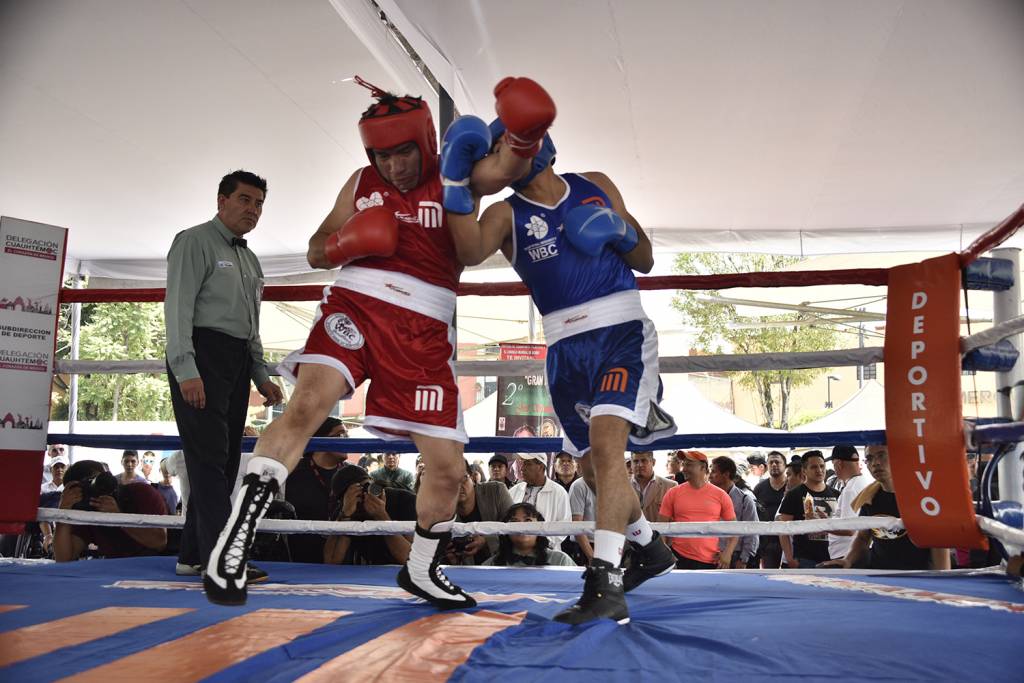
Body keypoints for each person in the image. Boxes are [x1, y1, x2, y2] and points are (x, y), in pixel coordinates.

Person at [202, 77, 552, 608]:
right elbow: (318, 249)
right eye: (383, 156)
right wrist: (348, 239)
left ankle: (421, 569)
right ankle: (236, 539)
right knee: (306, 408)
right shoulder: (361, 180)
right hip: (356, 304)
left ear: (425, 143)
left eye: (403, 152)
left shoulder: (453, 171)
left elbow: (504, 169)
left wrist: (525, 132)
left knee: (448, 466)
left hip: (424, 328)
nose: (394, 166)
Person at [444, 110, 677, 625]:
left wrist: (616, 228)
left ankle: (606, 580)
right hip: (565, 348)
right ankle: (649, 548)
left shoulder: (594, 185)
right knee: (594, 468)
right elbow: (464, 252)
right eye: (504, 146)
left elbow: (645, 258)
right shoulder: (504, 215)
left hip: (620, 329)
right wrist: (456, 180)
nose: (518, 150)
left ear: (541, 141)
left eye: (520, 139)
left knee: (610, 449)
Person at [165, 169, 284, 581]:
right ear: (222, 200)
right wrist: (186, 368)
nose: (253, 209)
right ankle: (221, 559)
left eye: (259, 203)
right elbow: (177, 310)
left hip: (235, 359)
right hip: (201, 354)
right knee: (209, 458)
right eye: (245, 200)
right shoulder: (193, 241)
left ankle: (193, 553)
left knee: (223, 458)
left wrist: (260, 372)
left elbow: (251, 324)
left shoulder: (250, 259)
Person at [823, 445, 950, 571]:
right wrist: (848, 560)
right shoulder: (869, 497)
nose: (875, 463)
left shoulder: (922, 497)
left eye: (881, 455)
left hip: (916, 577)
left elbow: (938, 544)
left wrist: (942, 580)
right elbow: (862, 537)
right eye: (870, 458)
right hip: (880, 576)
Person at [53, 460, 168, 561]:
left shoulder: (142, 493)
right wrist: (63, 513)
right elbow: (64, 558)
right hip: (118, 572)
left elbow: (159, 542)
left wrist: (118, 517)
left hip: (160, 565)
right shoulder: (88, 510)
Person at [284, 417, 349, 563]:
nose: (346, 441)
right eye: (340, 435)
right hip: (295, 562)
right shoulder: (291, 471)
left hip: (342, 564)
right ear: (320, 439)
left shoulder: (353, 474)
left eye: (347, 436)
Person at [323, 465, 417, 565]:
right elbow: (331, 561)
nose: (365, 497)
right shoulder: (345, 510)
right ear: (344, 499)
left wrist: (382, 517)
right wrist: (346, 516)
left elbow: (410, 559)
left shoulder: (404, 501)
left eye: (367, 487)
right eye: (356, 495)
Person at [658, 451, 738, 569]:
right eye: (683, 464)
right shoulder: (673, 493)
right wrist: (666, 556)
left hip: (710, 561)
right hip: (678, 558)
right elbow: (661, 527)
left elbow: (734, 529)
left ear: (703, 468)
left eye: (689, 464)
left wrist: (728, 553)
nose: (684, 468)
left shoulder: (721, 495)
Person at [776, 451, 839, 568]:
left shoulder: (837, 494)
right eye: (814, 467)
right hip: (805, 558)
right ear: (804, 471)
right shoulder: (793, 495)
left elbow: (846, 527)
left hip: (833, 557)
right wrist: (790, 558)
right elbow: (782, 530)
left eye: (822, 466)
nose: (819, 470)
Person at [446, 461, 513, 565]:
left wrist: (486, 540)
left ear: (472, 478)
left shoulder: (496, 491)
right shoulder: (441, 510)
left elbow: (514, 529)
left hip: (504, 566)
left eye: (462, 478)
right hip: (466, 574)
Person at [508, 453, 572, 548]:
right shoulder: (514, 490)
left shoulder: (558, 492)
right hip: (516, 550)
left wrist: (544, 543)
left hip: (547, 553)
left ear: (541, 467)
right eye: (522, 464)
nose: (522, 468)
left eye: (528, 464)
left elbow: (565, 526)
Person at [481, 503, 576, 567]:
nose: (522, 526)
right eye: (514, 522)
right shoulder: (492, 565)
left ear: (540, 526)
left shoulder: (560, 561)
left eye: (528, 520)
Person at [824, 444, 873, 563]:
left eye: (834, 465)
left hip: (847, 554)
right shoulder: (864, 483)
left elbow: (850, 529)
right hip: (856, 551)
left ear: (839, 464)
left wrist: (823, 525)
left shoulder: (850, 489)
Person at [709, 456, 759, 568]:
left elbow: (752, 532)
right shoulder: (707, 498)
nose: (709, 476)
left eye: (713, 471)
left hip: (736, 556)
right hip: (711, 554)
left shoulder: (745, 499)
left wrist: (744, 559)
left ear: (726, 474)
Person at [753, 451, 788, 568]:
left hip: (789, 540)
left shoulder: (793, 486)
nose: (774, 465)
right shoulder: (759, 488)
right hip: (767, 542)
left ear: (785, 465)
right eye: (771, 462)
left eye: (777, 462)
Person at [630, 451, 675, 526]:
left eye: (644, 461)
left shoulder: (670, 486)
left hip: (659, 536)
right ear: (631, 463)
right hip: (630, 537)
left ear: (653, 462)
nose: (640, 465)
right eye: (635, 461)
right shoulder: (621, 487)